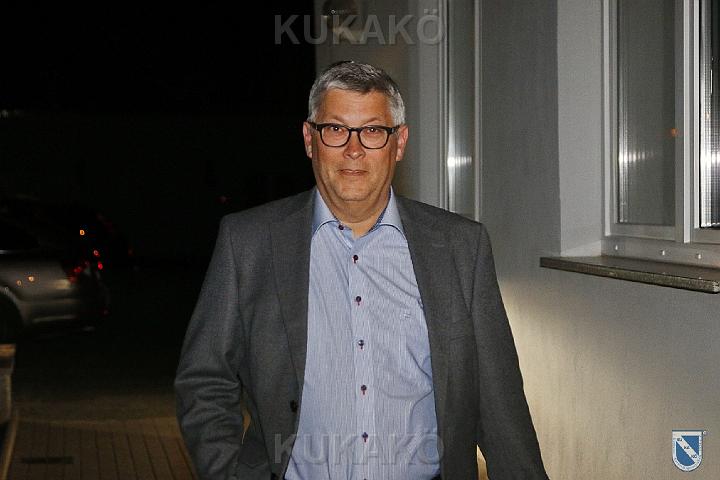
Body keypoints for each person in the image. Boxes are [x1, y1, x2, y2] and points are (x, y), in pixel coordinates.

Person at [175, 61, 548, 480]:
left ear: (399, 143)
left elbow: (499, 404)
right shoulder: (249, 243)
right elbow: (205, 380)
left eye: (372, 131)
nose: (353, 150)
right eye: (336, 129)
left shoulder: (461, 248)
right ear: (310, 140)